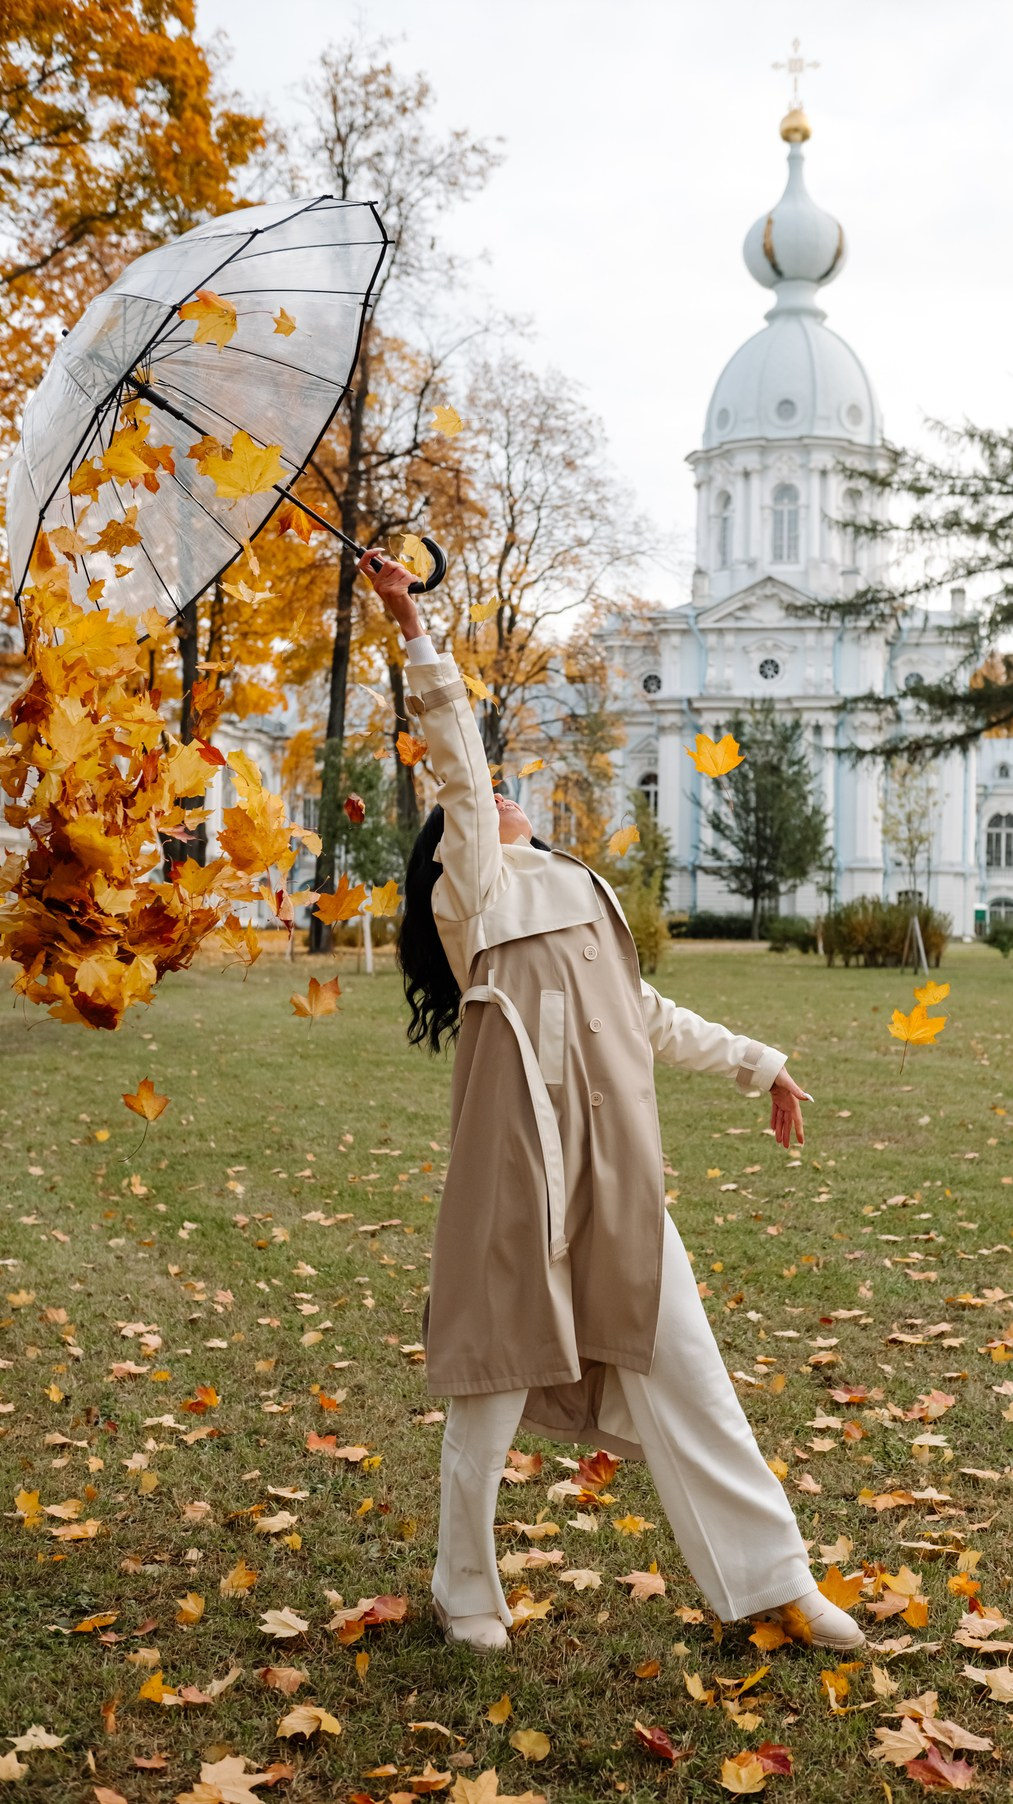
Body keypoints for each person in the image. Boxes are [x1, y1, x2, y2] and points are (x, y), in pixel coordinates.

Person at [358, 550, 865, 1658]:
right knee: (490, 1390)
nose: (502, 793)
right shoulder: (474, 897)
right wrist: (412, 623)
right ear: (455, 842)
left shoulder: (579, 890)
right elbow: (451, 758)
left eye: (503, 792)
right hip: (521, 1171)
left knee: (690, 1371)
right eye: (484, 798)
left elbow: (646, 1014)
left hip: (618, 1172)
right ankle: (466, 1589)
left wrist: (760, 1060)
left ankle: (774, 1581)